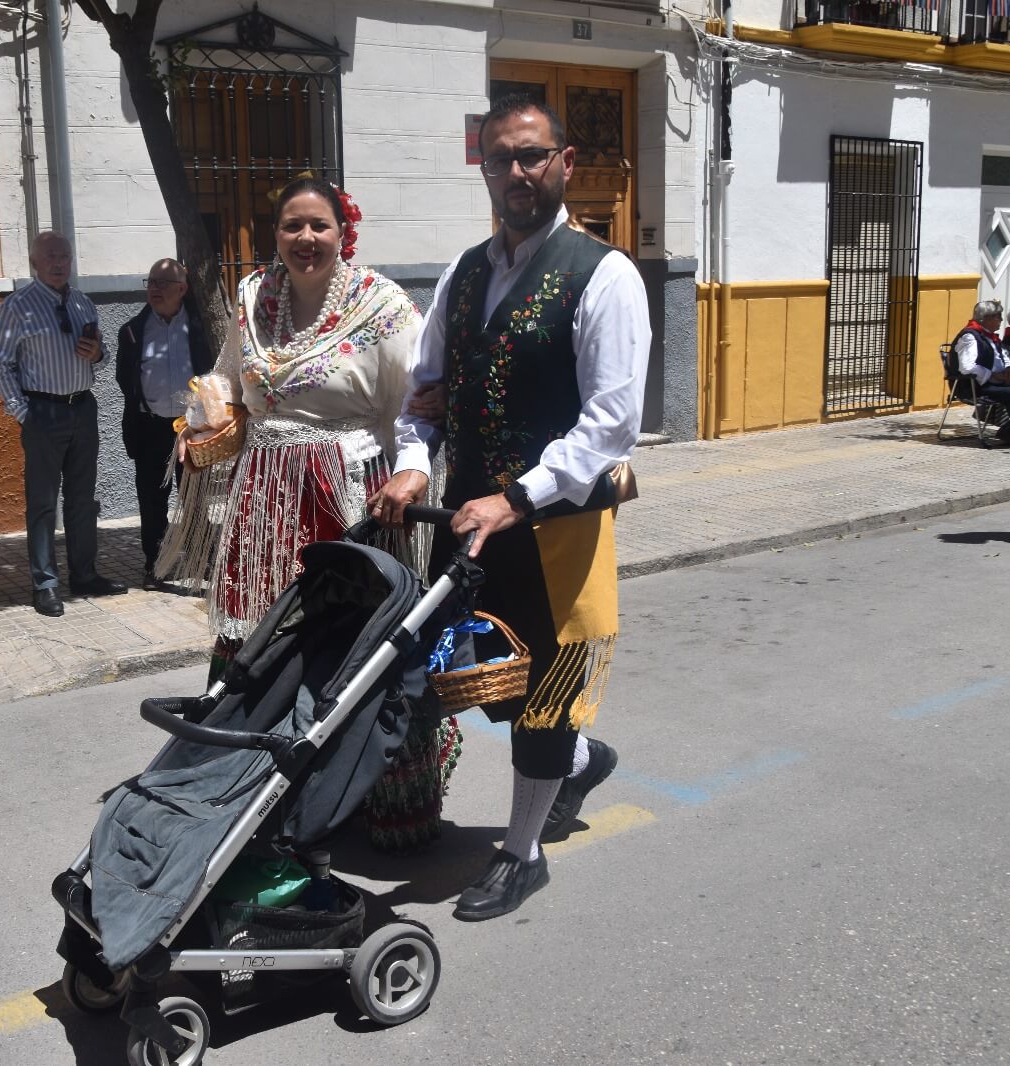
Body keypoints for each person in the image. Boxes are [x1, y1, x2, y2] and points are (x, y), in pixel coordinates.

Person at [369, 93, 651, 920]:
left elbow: (612, 423)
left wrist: (519, 496)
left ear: (565, 163)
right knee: (475, 677)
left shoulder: (604, 274)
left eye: (532, 155)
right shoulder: (462, 274)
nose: (517, 172)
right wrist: (413, 466)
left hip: (557, 527)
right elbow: (424, 394)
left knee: (543, 694)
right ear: (485, 170)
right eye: (501, 159)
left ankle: (522, 854)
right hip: (468, 521)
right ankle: (581, 761)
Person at [159, 176, 461, 853]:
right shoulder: (251, 300)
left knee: (354, 650)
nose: (305, 238)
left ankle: (388, 805)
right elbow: (228, 379)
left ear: (342, 232)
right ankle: (239, 794)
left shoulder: (382, 307)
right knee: (254, 643)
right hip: (264, 500)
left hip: (345, 498)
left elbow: (418, 401)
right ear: (275, 234)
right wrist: (200, 426)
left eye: (319, 225)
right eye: (292, 225)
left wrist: (410, 474)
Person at [0, 230, 127, 617]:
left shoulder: (83, 302)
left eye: (64, 255)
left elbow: (102, 356)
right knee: (43, 502)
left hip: (82, 408)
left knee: (82, 499)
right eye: (50, 256)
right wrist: (23, 413)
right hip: (42, 411)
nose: (58, 262)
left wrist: (98, 354)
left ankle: (84, 574)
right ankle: (45, 583)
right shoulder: (17, 307)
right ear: (34, 262)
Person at [115, 258, 215, 589]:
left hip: (193, 428)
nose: (155, 289)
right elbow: (125, 379)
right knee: (152, 500)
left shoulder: (200, 327)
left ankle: (203, 560)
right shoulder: (133, 331)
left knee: (196, 497)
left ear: (182, 289)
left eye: (163, 283)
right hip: (151, 428)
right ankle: (156, 565)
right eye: (151, 282)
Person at [952, 299, 1010, 448]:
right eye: (998, 317)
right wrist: (992, 375)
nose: (1001, 320)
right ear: (987, 318)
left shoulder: (990, 335)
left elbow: (1005, 356)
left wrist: (1009, 368)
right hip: (974, 385)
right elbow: (967, 367)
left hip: (993, 382)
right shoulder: (970, 337)